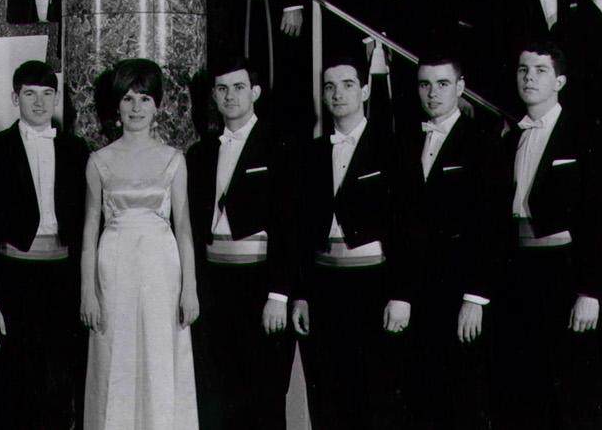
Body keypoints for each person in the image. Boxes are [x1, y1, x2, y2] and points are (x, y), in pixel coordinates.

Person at [492, 42, 602, 429]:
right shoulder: (510, 137)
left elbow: (597, 218)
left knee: (572, 386)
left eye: (540, 70)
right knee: (525, 385)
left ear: (560, 80)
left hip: (564, 270)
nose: (529, 77)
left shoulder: (583, 133)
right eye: (523, 69)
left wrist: (590, 290)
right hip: (518, 268)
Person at [82, 58, 200, 430]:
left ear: (157, 106)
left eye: (145, 99)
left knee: (161, 357)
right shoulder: (99, 160)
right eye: (129, 99)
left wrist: (190, 290)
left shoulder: (174, 160)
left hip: (161, 268)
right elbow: (89, 231)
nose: (136, 108)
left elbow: (183, 229)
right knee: (113, 356)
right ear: (116, 105)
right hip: (113, 266)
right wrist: (88, 292)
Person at [293, 53, 409, 429]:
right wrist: (302, 294)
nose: (337, 94)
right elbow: (300, 232)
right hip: (324, 285)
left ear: (363, 90)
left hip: (373, 284)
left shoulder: (391, 147)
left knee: (374, 393)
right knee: (327, 393)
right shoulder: (311, 153)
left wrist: (401, 294)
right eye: (329, 87)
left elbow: (408, 227)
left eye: (346, 85)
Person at [0, 60, 90, 429]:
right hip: (12, 279)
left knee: (59, 383)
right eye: (29, 94)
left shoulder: (76, 149)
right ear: (14, 97)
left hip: (63, 279)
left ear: (56, 100)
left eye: (47, 94)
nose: (39, 103)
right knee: (14, 385)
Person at [398, 54, 509, 429]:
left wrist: (475, 298)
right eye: (424, 84)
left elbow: (490, 226)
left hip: (461, 293)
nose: (432, 93)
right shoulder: (407, 139)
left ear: (461, 88)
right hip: (419, 294)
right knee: (422, 398)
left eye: (442, 84)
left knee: (464, 398)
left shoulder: (483, 142)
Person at [186, 59, 296, 430]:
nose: (229, 96)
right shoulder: (200, 154)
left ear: (255, 92)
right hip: (215, 286)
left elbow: (289, 226)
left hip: (260, 285)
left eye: (237, 87)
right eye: (221, 89)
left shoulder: (281, 145)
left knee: (263, 395)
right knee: (218, 393)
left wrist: (279, 294)